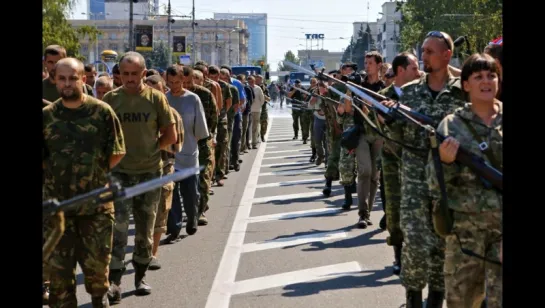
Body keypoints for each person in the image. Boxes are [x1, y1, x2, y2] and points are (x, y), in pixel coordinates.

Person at [380, 31, 466, 307]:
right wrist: (386, 117)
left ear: (446, 55)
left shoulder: (461, 93)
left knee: (444, 246)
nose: (423, 56)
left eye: (430, 51)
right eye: (422, 51)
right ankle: (413, 299)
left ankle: (436, 301)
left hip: (449, 184)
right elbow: (393, 138)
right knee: (415, 246)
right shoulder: (410, 92)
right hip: (415, 183)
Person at [43, 57, 126, 308]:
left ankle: (100, 300)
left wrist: (95, 177)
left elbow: (118, 151)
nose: (68, 84)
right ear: (55, 80)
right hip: (57, 213)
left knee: (97, 278)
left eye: (73, 78)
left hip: (96, 210)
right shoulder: (47, 116)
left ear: (83, 79)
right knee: (59, 282)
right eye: (62, 78)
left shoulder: (101, 112)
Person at [427, 53, 502, 308]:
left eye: (491, 75)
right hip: (465, 234)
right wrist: (446, 164)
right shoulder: (451, 126)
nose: (486, 81)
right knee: (462, 302)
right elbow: (433, 183)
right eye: (478, 76)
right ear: (466, 84)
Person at [102, 52, 177, 302]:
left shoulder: (156, 98)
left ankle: (140, 277)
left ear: (144, 74)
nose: (130, 79)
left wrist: (152, 150)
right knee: (118, 230)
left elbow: (170, 134)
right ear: (119, 74)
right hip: (120, 175)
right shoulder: (111, 99)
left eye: (135, 74)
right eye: (125, 74)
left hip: (148, 174)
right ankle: (114, 282)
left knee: (145, 230)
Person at [378, 52, 422, 276]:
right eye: (414, 68)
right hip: (393, 159)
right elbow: (377, 129)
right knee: (394, 207)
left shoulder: (421, 94)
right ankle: (398, 254)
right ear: (401, 70)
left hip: (418, 159)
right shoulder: (382, 96)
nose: (418, 72)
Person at [165, 65, 209, 241]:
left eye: (177, 82)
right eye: (171, 82)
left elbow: (200, 129)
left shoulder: (193, 99)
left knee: (191, 193)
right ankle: (174, 229)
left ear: (183, 80)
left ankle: (192, 218)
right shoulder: (163, 99)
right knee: (172, 194)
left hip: (189, 152)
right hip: (170, 156)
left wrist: (191, 144)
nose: (174, 85)